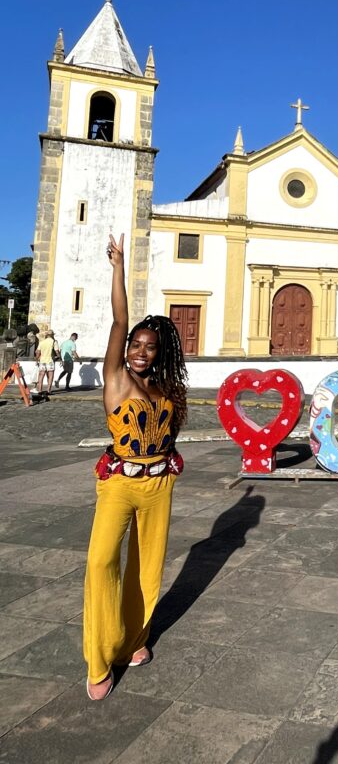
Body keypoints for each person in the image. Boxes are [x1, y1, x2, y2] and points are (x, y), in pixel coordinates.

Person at [83, 233, 188, 701]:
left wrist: (171, 457)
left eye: (149, 346)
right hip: (120, 484)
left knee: (147, 570)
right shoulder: (117, 378)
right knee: (101, 561)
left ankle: (133, 642)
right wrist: (118, 267)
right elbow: (120, 319)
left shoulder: (166, 390)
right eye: (135, 345)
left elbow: (165, 434)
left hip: (159, 484)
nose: (140, 351)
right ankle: (99, 658)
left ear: (159, 352)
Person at [35, 328, 58, 395]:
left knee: (41, 376)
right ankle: (48, 390)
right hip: (50, 360)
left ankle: (39, 390)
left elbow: (38, 352)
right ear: (52, 335)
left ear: (47, 335)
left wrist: (36, 359)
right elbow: (57, 351)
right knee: (50, 376)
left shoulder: (42, 342)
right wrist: (59, 356)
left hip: (42, 360)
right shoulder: (54, 341)